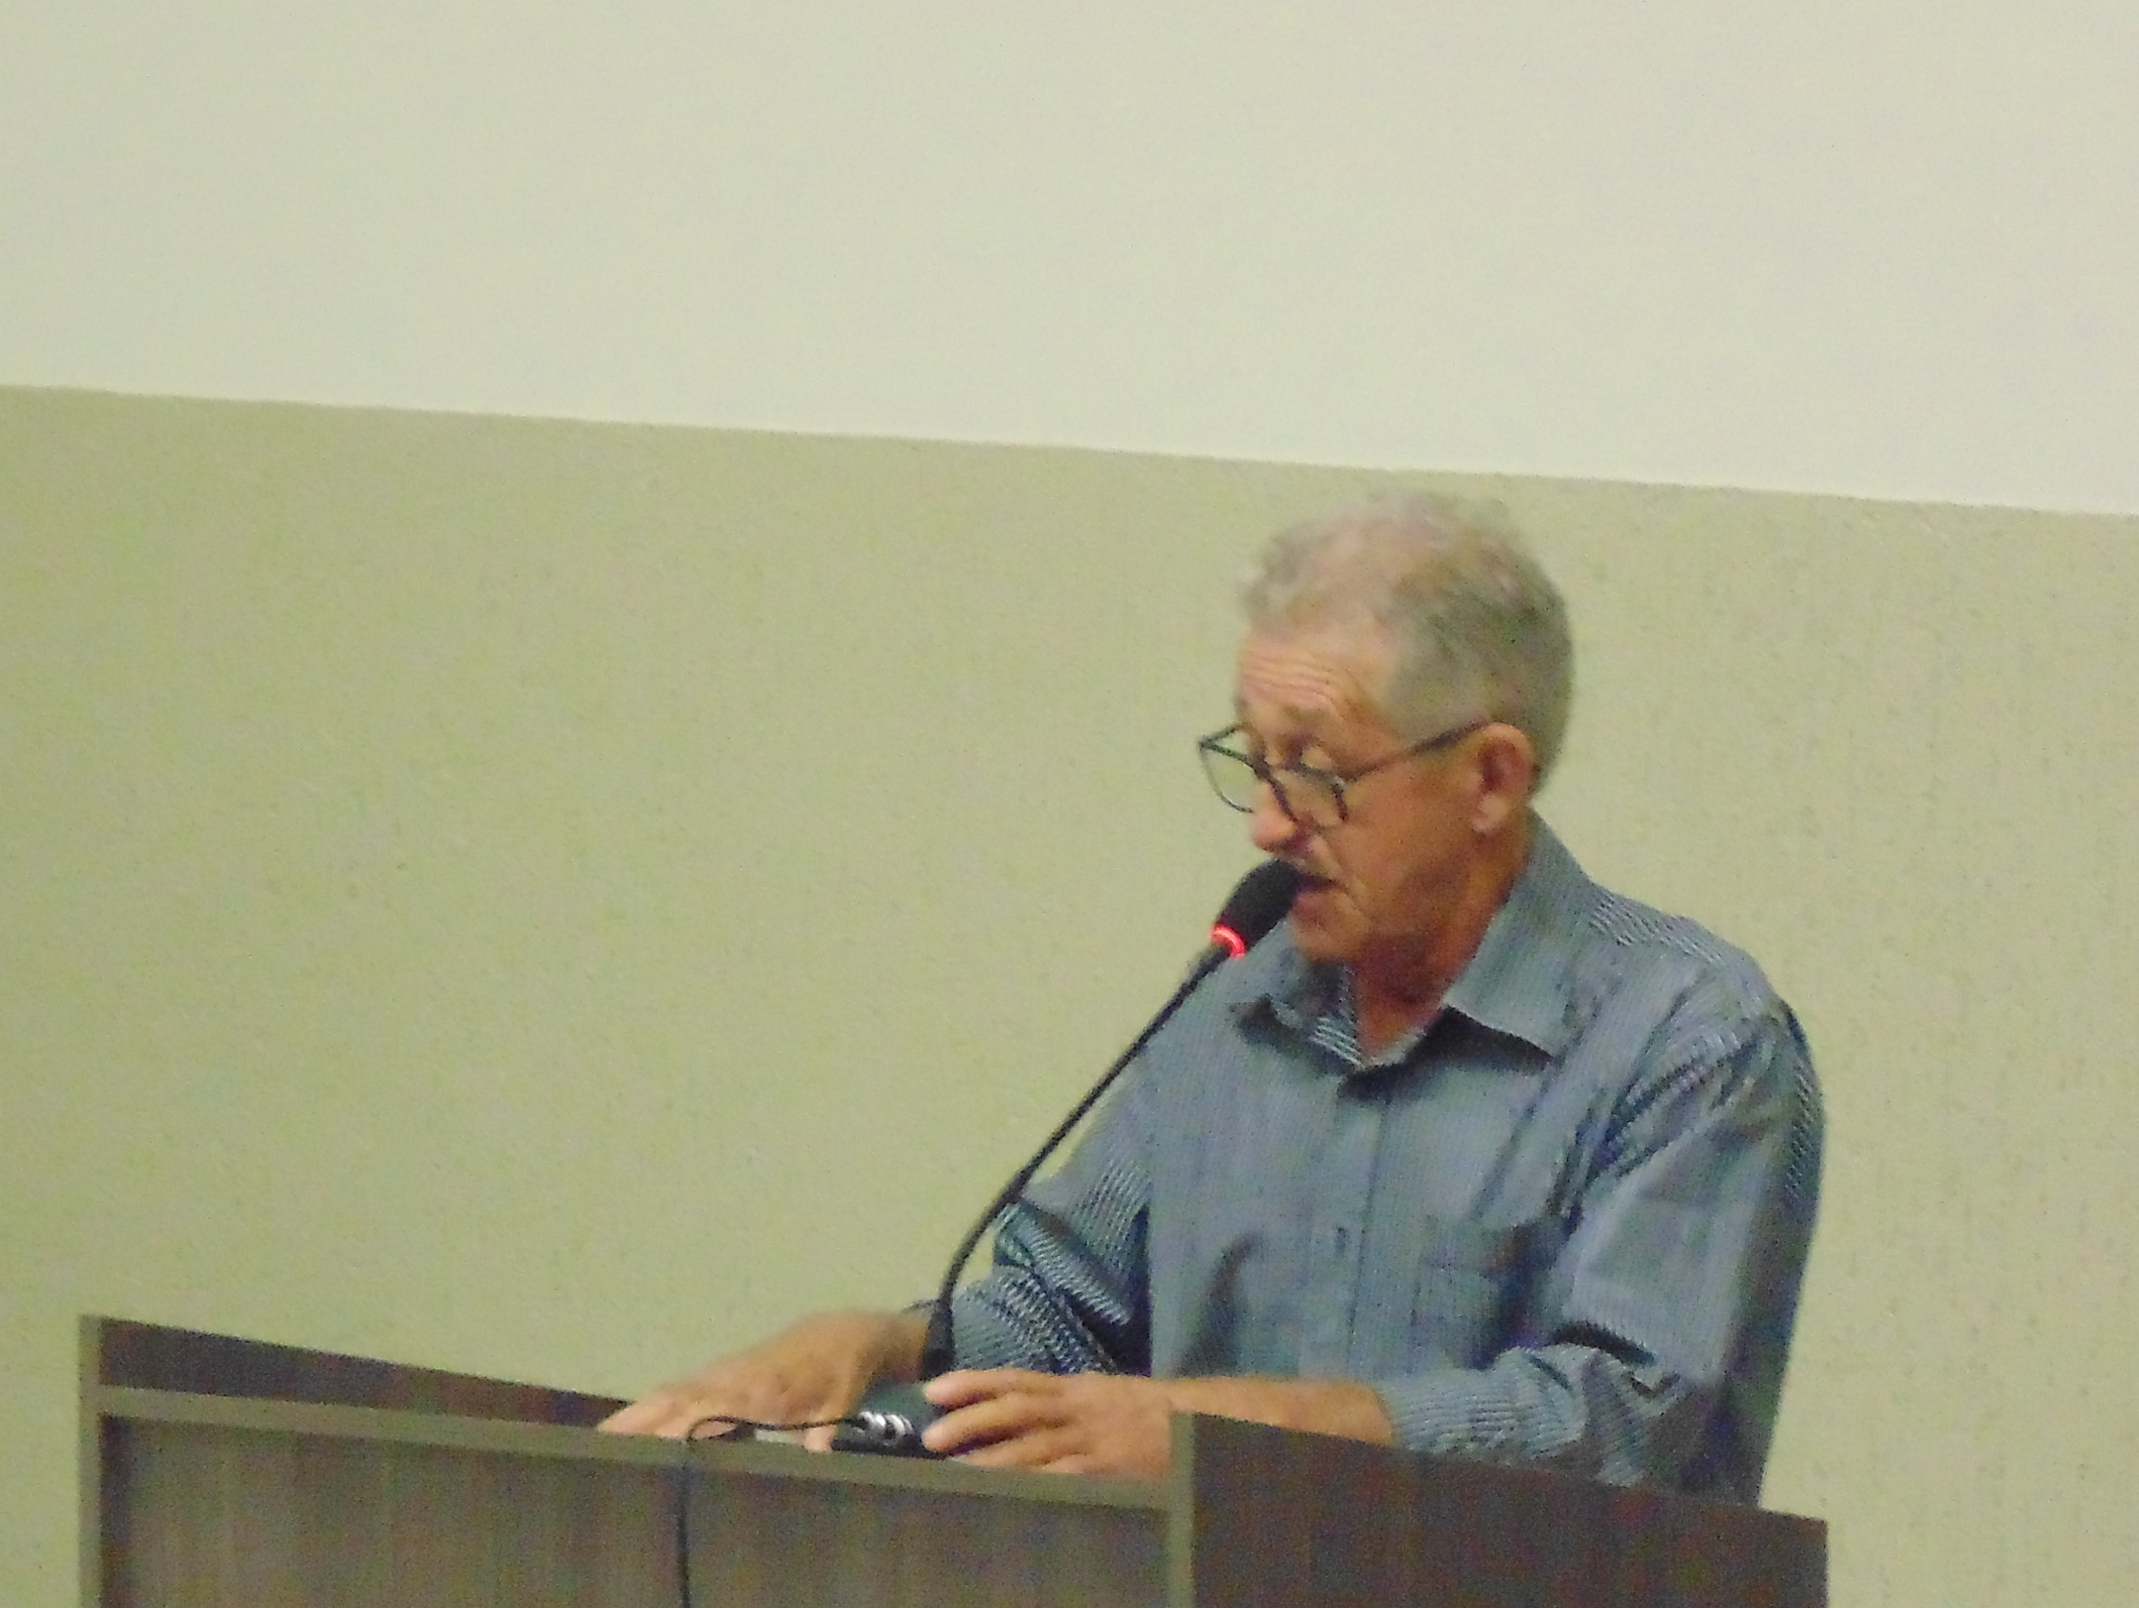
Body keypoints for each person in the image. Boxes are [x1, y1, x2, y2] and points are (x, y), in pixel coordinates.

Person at [604, 496, 1824, 1499]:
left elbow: (1615, 1421)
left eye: (1317, 771)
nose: (1268, 823)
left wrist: (1200, 1436)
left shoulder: (1686, 1041)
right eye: (1253, 759)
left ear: (1489, 779)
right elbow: (1063, 1316)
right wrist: (875, 1346)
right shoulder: (1234, 1009)